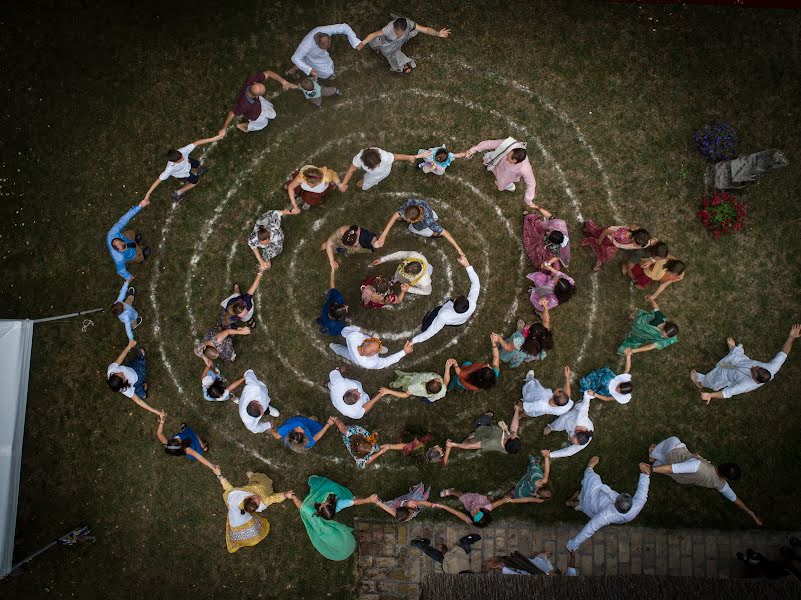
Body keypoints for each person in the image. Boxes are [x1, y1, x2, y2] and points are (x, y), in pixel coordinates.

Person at [649, 436, 762, 526]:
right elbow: (733, 497)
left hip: (673, 455)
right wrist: (750, 513)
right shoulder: (720, 484)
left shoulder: (698, 465)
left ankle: (652, 454)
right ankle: (655, 458)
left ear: (723, 464)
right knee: (661, 462)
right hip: (677, 476)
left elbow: (671, 468)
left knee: (673, 440)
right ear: (726, 478)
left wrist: (650, 469)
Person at [691, 324, 800, 404]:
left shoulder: (745, 385)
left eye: (754, 370)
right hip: (741, 361)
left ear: (755, 379)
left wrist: (711, 395)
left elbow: (727, 393)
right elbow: (784, 354)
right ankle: (733, 350)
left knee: (711, 380)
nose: (754, 366)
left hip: (727, 375)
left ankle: (699, 382)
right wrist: (791, 338)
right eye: (758, 366)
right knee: (737, 355)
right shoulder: (772, 368)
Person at [565, 456, 651, 552]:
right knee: (586, 500)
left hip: (593, 503)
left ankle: (589, 468)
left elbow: (588, 530)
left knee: (593, 479)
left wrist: (572, 545)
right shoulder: (636, 506)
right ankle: (575, 503)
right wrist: (645, 474)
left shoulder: (605, 516)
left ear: (616, 503)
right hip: (596, 508)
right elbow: (642, 494)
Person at [289, 475, 377, 561]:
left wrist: (295, 499)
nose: (322, 503)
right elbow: (354, 502)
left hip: (329, 495)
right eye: (323, 504)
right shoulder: (338, 506)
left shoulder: (317, 511)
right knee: (346, 496)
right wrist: (368, 500)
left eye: (322, 505)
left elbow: (304, 508)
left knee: (316, 481)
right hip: (332, 496)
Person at [216, 470, 293, 553]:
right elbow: (274, 498)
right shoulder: (264, 500)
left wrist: (219, 475)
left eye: (255, 498)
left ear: (247, 498)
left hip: (255, 484)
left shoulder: (236, 497)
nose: (259, 498)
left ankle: (253, 477)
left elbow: (228, 488)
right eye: (258, 501)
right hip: (264, 490)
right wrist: (285, 495)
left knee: (258, 479)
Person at [412, 255, 480, 344]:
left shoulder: (443, 316)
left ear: (454, 302)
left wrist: (413, 341)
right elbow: (476, 283)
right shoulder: (472, 303)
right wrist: (467, 265)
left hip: (446, 317)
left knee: (431, 319)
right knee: (445, 314)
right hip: (459, 322)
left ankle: (424, 326)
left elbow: (429, 333)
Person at [359, 15, 451, 73]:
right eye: (397, 33)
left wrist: (437, 33)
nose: (399, 35)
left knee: (395, 52)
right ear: (394, 28)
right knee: (374, 46)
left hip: (396, 44)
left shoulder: (409, 24)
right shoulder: (388, 29)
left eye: (401, 33)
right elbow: (374, 34)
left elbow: (425, 29)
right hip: (386, 42)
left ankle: (402, 64)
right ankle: (377, 49)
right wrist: (363, 43)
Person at [142, 135, 220, 202]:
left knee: (197, 164)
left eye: (181, 155)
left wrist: (215, 138)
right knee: (195, 182)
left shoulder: (182, 152)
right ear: (175, 162)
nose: (183, 157)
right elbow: (158, 180)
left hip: (188, 164)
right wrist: (147, 194)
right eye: (180, 159)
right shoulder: (169, 169)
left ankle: (197, 171)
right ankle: (178, 193)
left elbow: (197, 142)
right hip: (184, 174)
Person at [218, 70, 297, 136]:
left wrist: (284, 82)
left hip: (259, 104)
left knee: (273, 115)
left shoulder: (252, 81)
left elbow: (268, 73)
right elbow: (232, 113)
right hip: (255, 116)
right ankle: (245, 126)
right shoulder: (244, 105)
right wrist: (224, 128)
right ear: (256, 96)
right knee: (264, 123)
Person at [463, 137, 536, 206]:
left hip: (507, 176)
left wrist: (528, 199)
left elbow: (531, 183)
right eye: (508, 154)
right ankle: (491, 167)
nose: (506, 158)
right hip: (498, 160)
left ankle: (509, 186)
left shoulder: (525, 169)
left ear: (515, 161)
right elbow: (490, 144)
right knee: (487, 157)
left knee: (502, 183)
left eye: (509, 158)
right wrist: (472, 150)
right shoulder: (509, 145)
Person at [375, 198, 465, 255]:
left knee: (412, 228)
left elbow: (446, 233)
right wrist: (384, 234)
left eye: (408, 220)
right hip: (429, 213)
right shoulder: (412, 202)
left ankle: (434, 234)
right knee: (401, 217)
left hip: (423, 225)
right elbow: (396, 214)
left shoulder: (428, 221)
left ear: (416, 219)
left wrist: (458, 249)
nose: (407, 220)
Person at [442, 407, 521, 467]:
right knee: (490, 417)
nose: (516, 434)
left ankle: (472, 435)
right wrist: (517, 409)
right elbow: (514, 427)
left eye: (515, 436)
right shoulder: (510, 447)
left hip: (482, 430)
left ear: (507, 439)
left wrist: (453, 445)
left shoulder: (491, 443)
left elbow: (470, 446)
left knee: (472, 439)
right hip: (490, 431)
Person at [106, 340, 163, 417]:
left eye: (117, 373)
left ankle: (142, 392)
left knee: (133, 364)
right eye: (121, 376)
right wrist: (157, 412)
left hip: (131, 367)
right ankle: (141, 357)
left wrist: (129, 346)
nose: (121, 373)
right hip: (138, 375)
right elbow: (138, 401)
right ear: (123, 383)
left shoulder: (111, 370)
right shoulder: (125, 389)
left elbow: (121, 358)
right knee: (141, 364)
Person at [288, 24, 361, 80]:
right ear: (318, 43)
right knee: (323, 67)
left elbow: (344, 27)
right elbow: (295, 58)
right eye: (324, 45)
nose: (327, 46)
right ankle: (329, 74)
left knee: (305, 61)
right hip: (312, 55)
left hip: (317, 54)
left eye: (328, 43)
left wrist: (356, 42)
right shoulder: (306, 45)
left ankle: (292, 71)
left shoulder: (325, 30)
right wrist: (310, 70)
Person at [339, 147, 430, 192]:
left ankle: (366, 181)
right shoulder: (359, 158)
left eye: (378, 163)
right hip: (372, 174)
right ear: (365, 163)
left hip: (384, 173)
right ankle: (365, 180)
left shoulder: (384, 156)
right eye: (375, 166)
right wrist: (343, 183)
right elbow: (351, 170)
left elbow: (397, 156)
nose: (378, 166)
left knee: (368, 184)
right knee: (366, 182)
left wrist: (413, 157)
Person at [329, 326, 414, 370]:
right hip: (355, 357)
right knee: (345, 353)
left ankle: (333, 346)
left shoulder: (354, 337)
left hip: (354, 354)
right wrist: (404, 352)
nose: (374, 353)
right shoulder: (371, 363)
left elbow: (344, 332)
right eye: (374, 351)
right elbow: (387, 361)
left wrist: (357, 329)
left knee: (342, 351)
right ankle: (334, 347)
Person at [581, 221, 652, 272]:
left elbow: (644, 243)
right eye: (637, 244)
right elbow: (606, 231)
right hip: (607, 239)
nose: (637, 247)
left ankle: (599, 257)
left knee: (607, 255)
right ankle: (590, 234)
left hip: (614, 242)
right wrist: (599, 240)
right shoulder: (621, 235)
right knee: (596, 235)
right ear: (633, 239)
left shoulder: (637, 233)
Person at [106, 199, 150, 280]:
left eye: (125, 245)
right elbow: (120, 270)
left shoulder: (113, 233)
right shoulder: (119, 258)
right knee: (137, 256)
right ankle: (141, 257)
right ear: (119, 251)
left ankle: (134, 242)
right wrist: (128, 276)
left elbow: (124, 219)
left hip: (125, 238)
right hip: (130, 254)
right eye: (125, 248)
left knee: (130, 233)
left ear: (119, 239)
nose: (127, 246)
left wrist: (139, 206)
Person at [543, 391, 593, 459]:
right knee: (563, 419)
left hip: (575, 424)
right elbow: (585, 407)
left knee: (569, 419)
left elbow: (569, 452)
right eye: (573, 440)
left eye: (574, 443)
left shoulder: (582, 443)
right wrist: (587, 395)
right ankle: (551, 427)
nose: (572, 441)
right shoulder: (582, 420)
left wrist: (551, 455)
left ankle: (573, 409)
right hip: (574, 416)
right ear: (576, 432)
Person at [522, 205, 570, 270]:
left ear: (551, 242)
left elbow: (557, 256)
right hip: (545, 233)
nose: (548, 233)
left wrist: (549, 263)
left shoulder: (555, 248)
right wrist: (537, 207)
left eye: (549, 234)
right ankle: (529, 219)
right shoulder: (558, 225)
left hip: (545, 243)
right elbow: (550, 216)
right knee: (537, 225)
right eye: (550, 232)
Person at [411, 534, 482, 575]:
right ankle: (419, 544)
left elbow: (445, 553)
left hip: (449, 560)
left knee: (435, 554)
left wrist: (443, 546)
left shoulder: (453, 560)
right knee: (466, 549)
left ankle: (419, 544)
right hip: (453, 561)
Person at [388, 361, 452, 403]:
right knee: (424, 399)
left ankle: (394, 384)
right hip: (427, 396)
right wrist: (447, 367)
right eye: (440, 381)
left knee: (402, 381)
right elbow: (446, 381)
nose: (440, 379)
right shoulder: (443, 390)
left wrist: (389, 391)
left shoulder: (417, 386)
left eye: (437, 379)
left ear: (428, 381)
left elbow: (405, 395)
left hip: (411, 382)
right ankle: (401, 377)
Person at [238, 369, 279, 434]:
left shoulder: (254, 388)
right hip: (262, 400)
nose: (262, 414)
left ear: (256, 402)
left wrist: (247, 374)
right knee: (276, 413)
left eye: (261, 409)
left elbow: (248, 373)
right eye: (261, 413)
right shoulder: (248, 420)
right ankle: (267, 408)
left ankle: (267, 406)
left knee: (275, 413)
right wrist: (268, 425)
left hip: (261, 388)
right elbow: (256, 429)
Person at [269, 415, 336, 453]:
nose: (299, 426)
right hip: (309, 427)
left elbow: (277, 436)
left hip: (294, 422)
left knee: (311, 419)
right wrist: (328, 424)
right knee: (313, 419)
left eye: (297, 428)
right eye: (300, 429)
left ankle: (310, 420)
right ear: (305, 437)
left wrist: (271, 429)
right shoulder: (309, 442)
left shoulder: (286, 429)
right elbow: (317, 436)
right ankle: (310, 420)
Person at [317, 269, 349, 336]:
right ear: (339, 318)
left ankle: (320, 323)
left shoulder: (337, 298)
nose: (347, 306)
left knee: (321, 322)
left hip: (325, 316)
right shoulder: (336, 325)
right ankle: (322, 327)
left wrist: (332, 271)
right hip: (327, 322)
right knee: (324, 325)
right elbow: (336, 332)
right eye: (346, 308)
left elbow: (332, 286)